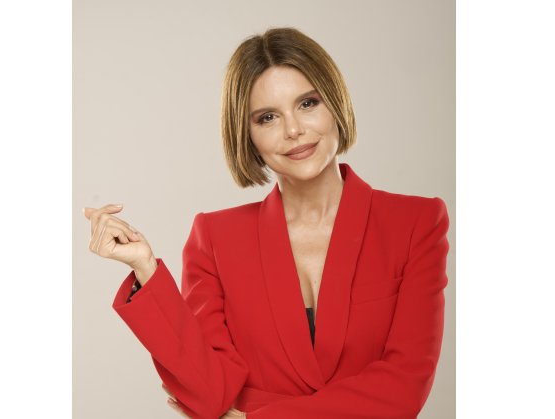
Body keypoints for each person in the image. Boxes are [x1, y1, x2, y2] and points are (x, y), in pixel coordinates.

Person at [83, 27, 450, 419]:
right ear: (248, 135)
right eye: (268, 117)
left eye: (308, 103)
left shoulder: (416, 223)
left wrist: (257, 415)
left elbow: (404, 387)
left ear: (336, 103)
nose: (293, 130)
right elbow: (211, 394)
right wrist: (145, 269)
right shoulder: (216, 239)